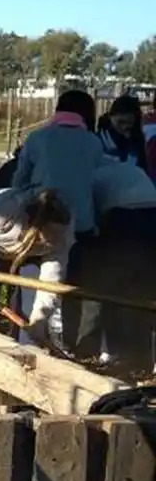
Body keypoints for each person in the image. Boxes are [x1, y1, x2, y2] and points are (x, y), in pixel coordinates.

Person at [12, 89, 104, 351]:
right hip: (81, 223)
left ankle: (27, 338)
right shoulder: (93, 142)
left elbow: (20, 178)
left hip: (41, 219)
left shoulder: (38, 137)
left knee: (32, 279)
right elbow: (96, 181)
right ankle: (74, 345)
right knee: (73, 287)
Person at [0, 188, 74, 345]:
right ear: (36, 226)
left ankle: (28, 350)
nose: (55, 241)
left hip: (29, 256)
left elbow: (51, 281)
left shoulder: (61, 238)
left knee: (31, 311)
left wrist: (39, 320)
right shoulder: (2, 209)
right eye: (51, 236)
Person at [82, 156, 156, 364]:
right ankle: (143, 353)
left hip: (123, 219)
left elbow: (92, 216)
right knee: (146, 286)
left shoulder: (94, 175)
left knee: (116, 286)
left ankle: (118, 351)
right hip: (152, 216)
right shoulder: (130, 168)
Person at [96, 94, 147, 172]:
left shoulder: (137, 141)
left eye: (129, 123)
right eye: (120, 122)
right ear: (111, 117)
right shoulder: (99, 140)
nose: (124, 127)